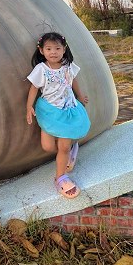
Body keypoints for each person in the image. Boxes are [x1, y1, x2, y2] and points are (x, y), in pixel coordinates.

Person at [26, 32, 91, 198]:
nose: (53, 52)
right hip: (50, 112)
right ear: (41, 51)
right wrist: (29, 107)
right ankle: (69, 152)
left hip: (68, 109)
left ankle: (61, 177)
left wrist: (80, 95)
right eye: (48, 48)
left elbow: (73, 80)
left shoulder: (67, 65)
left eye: (57, 48)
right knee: (47, 147)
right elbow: (34, 88)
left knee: (62, 146)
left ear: (64, 50)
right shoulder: (41, 69)